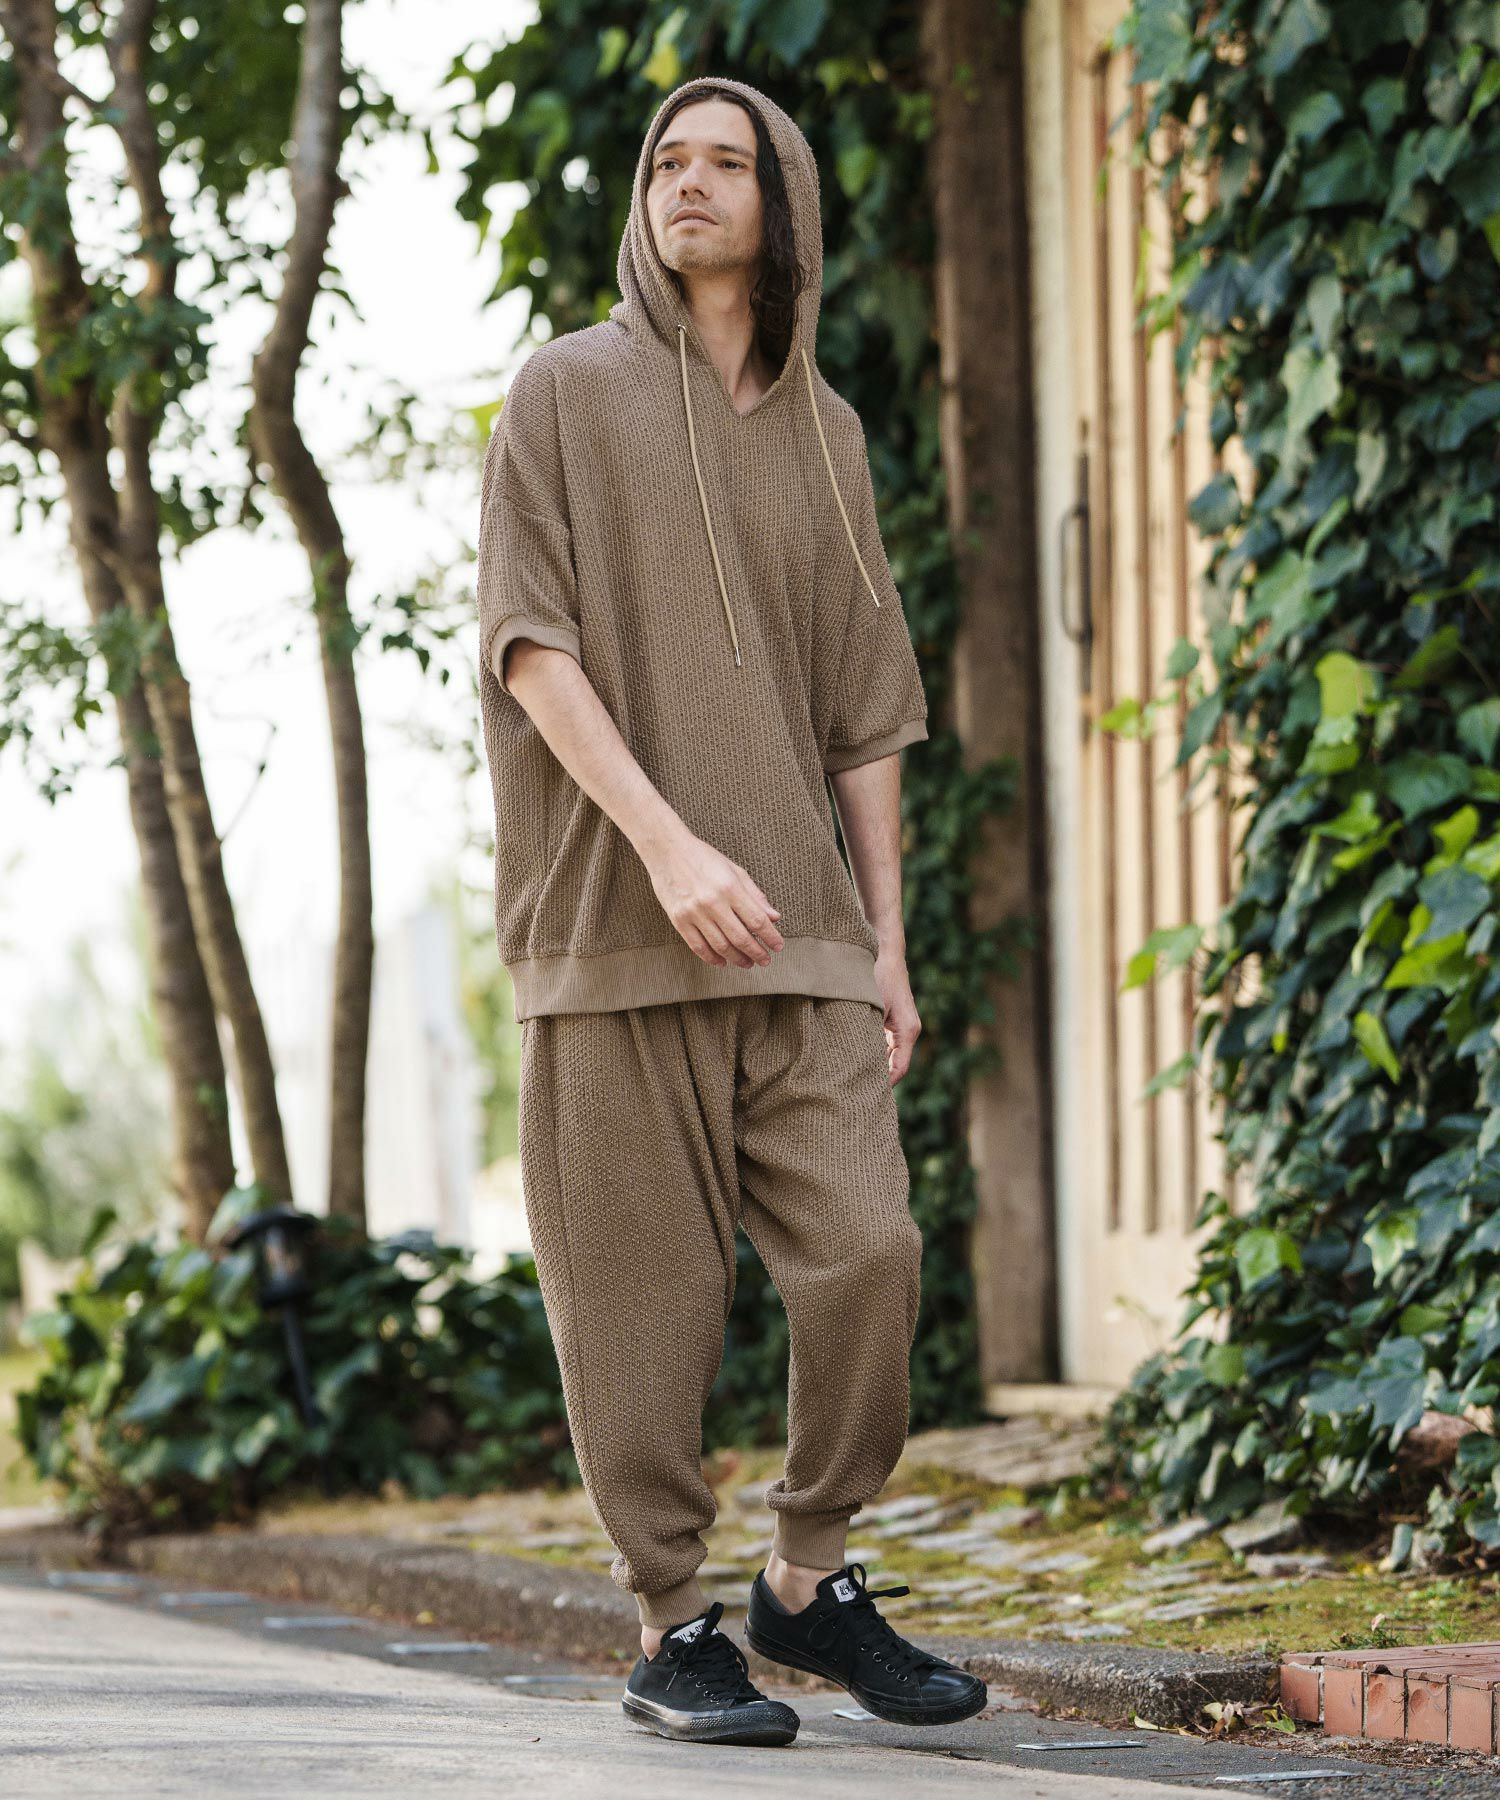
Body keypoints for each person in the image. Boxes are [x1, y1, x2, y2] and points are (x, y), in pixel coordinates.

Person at [475, 73, 987, 1747]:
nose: (688, 184)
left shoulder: (829, 435)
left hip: (806, 937)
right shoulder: (565, 391)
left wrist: (885, 938)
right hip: (612, 934)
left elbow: (867, 714)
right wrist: (669, 849)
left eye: (727, 163)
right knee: (640, 1309)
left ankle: (805, 1581)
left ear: (784, 206)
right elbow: (530, 646)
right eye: (667, 162)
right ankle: (670, 1625)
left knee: (870, 1255)